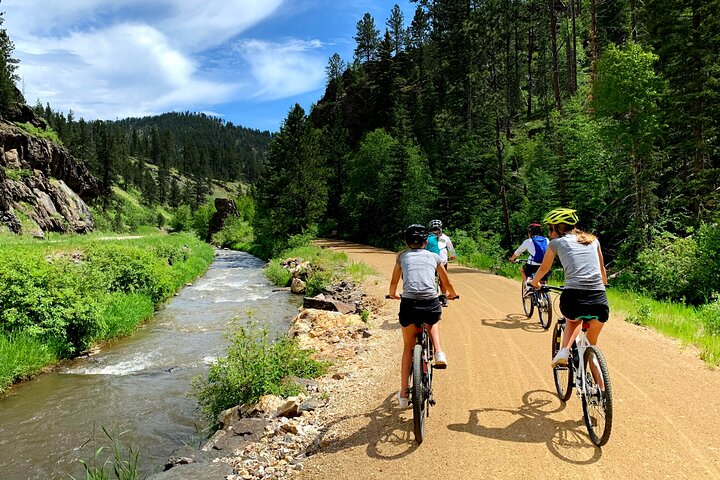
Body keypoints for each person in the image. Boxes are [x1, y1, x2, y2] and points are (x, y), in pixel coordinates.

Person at [389, 224, 459, 408]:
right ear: (426, 242)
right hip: (429, 303)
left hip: (409, 304)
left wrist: (393, 294)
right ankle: (439, 352)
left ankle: (404, 395)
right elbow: (446, 282)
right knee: (433, 320)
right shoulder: (435, 257)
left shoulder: (401, 257)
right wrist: (452, 293)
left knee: (408, 348)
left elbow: (394, 283)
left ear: (406, 241)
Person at [529, 208, 609, 367]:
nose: (549, 232)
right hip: (599, 298)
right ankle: (601, 388)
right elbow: (602, 270)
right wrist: (604, 285)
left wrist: (534, 283)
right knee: (591, 345)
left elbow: (544, 269)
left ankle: (564, 350)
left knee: (572, 320)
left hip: (574, 296)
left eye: (550, 228)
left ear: (557, 228)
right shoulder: (594, 240)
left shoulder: (556, 243)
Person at [509, 223, 550, 293]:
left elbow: (517, 253)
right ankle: (544, 293)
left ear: (530, 232)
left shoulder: (528, 241)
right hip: (545, 264)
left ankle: (528, 288)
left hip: (532, 265)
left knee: (522, 269)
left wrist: (512, 259)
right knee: (543, 280)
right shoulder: (546, 240)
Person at [427, 219, 456, 307]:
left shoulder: (443, 237)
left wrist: (453, 254)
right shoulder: (431, 238)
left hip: (438, 262)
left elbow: (450, 247)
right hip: (435, 262)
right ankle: (438, 296)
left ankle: (442, 296)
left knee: (440, 279)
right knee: (437, 279)